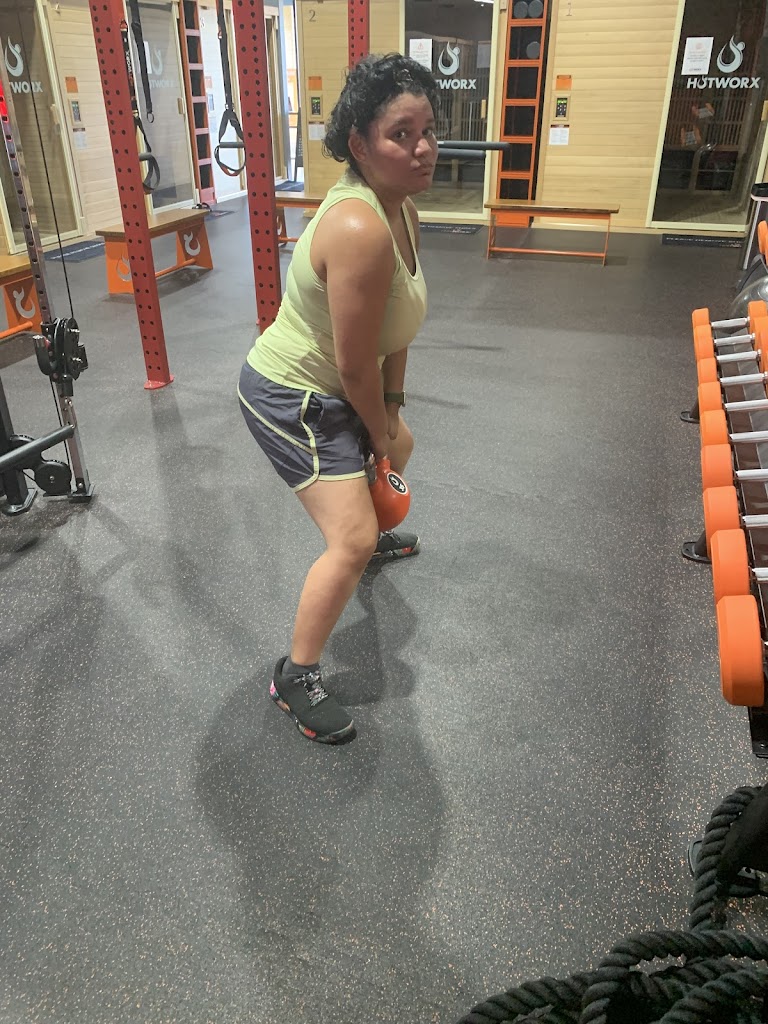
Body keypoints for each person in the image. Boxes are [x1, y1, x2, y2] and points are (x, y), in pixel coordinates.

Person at [238, 53, 438, 744]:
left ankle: (372, 537)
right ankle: (294, 678)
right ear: (360, 143)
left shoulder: (401, 210)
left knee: (402, 444)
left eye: (428, 131)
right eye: (401, 134)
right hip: (289, 394)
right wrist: (375, 432)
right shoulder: (359, 228)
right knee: (348, 538)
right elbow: (354, 365)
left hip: (339, 383)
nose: (422, 148)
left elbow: (400, 322)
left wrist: (393, 411)